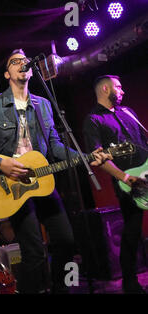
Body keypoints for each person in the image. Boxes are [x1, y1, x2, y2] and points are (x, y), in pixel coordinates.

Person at [0, 49, 110, 294]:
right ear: (7, 73)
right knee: (34, 252)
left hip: (41, 182)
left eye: (25, 60)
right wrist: (1, 164)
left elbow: (54, 145)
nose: (22, 63)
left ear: (31, 70)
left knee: (66, 240)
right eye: (15, 61)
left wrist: (86, 158)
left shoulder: (43, 105)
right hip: (10, 185)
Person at [82, 75, 147, 294]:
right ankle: (130, 283)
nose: (122, 91)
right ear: (105, 88)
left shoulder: (128, 112)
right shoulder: (93, 120)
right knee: (132, 231)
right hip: (128, 182)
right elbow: (96, 158)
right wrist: (125, 178)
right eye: (118, 87)